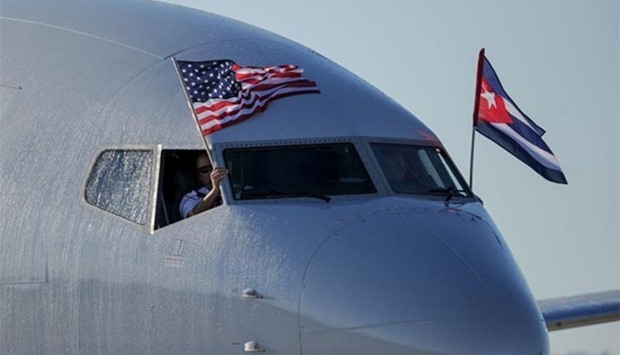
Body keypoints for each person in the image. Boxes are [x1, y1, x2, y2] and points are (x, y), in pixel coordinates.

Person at [179, 152, 229, 218]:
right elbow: (192, 216)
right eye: (205, 169)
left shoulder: (237, 190)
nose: (212, 173)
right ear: (198, 176)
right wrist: (215, 190)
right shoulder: (190, 198)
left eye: (213, 167)